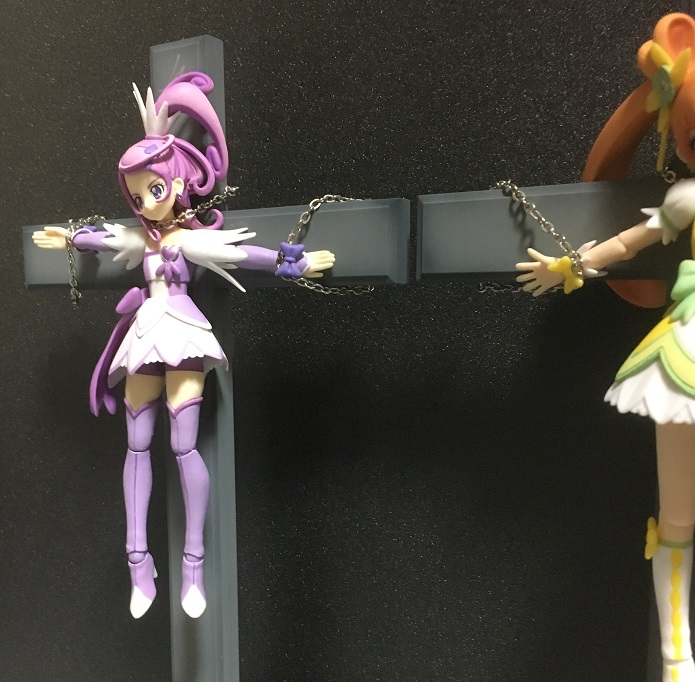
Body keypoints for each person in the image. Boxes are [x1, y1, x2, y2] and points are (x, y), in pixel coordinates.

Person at [32, 72, 335, 619]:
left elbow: (242, 254)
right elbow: (107, 237)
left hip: (182, 333)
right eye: (137, 194)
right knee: (136, 443)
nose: (146, 203)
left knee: (183, 445)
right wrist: (71, 237)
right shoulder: (143, 239)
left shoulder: (189, 241)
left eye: (155, 189)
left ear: (178, 183)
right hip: (145, 335)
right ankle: (138, 563)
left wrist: (293, 262)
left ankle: (193, 564)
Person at [516, 13, 695, 681]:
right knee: (677, 515)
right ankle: (676, 652)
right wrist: (571, 266)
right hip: (688, 351)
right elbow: (629, 241)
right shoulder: (688, 198)